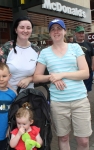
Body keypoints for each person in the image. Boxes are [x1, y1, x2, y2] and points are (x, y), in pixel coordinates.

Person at [33, 18, 92, 150]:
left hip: (80, 101)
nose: (56, 31)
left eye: (59, 28)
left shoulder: (75, 48)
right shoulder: (45, 52)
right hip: (59, 102)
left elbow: (85, 73)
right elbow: (36, 77)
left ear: (65, 31)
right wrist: (52, 77)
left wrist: (62, 74)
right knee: (63, 138)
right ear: (49, 33)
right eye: (52, 29)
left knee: (83, 140)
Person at [0, 16, 40, 92]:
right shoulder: (6, 48)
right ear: (16, 30)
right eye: (22, 27)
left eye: (28, 28)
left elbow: (39, 75)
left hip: (27, 96)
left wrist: (29, 79)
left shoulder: (36, 50)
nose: (25, 30)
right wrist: (13, 92)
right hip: (5, 94)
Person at [74, 26, 94, 93]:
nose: (81, 34)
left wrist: (92, 67)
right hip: (76, 72)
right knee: (77, 90)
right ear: (75, 34)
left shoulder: (88, 44)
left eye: (82, 33)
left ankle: (85, 102)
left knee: (86, 90)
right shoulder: (71, 45)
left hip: (88, 72)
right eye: (79, 33)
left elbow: (92, 56)